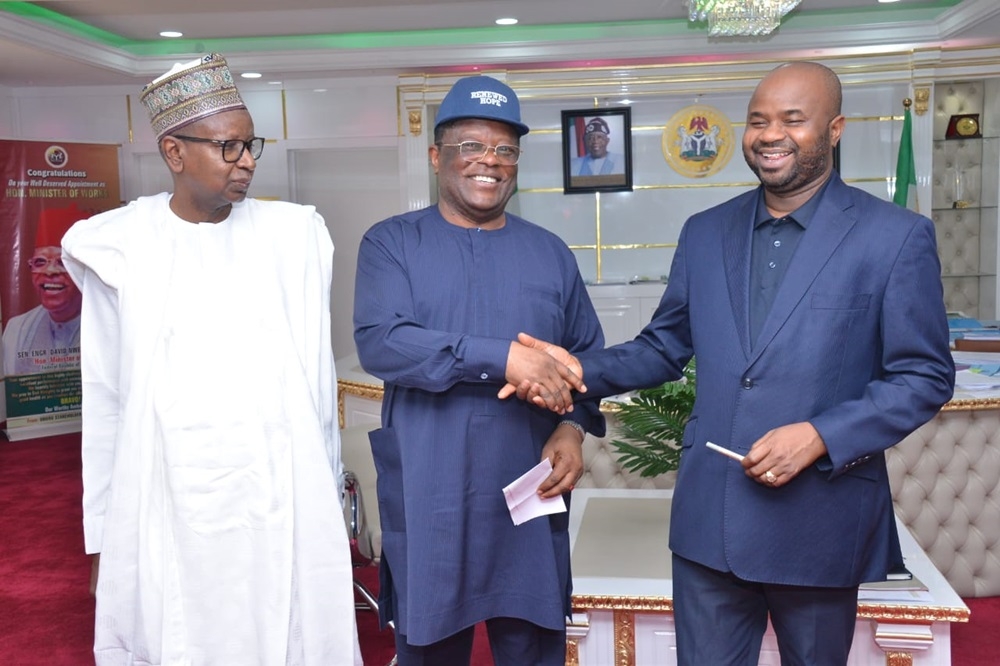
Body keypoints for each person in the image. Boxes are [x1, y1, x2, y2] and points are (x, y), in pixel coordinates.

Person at [509, 61, 956, 665]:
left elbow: (924, 377)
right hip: (710, 522)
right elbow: (663, 347)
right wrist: (573, 370)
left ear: (835, 129)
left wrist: (821, 435)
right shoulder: (704, 232)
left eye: (793, 120)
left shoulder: (895, 236)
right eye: (758, 120)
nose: (770, 134)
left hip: (821, 522)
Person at [61, 53, 361, 665]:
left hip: (278, 489)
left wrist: (326, 492)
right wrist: (103, 535)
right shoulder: (118, 244)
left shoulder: (292, 236)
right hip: (169, 495)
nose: (247, 160)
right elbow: (108, 397)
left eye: (251, 144)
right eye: (229, 147)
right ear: (174, 152)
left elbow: (314, 375)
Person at [353, 74, 605, 666]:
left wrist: (572, 431)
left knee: (532, 644)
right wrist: (504, 357)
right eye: (471, 145)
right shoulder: (392, 244)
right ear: (438, 156)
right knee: (432, 648)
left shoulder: (549, 253)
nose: (489, 161)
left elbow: (587, 358)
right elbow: (383, 342)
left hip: (528, 483)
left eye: (505, 149)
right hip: (432, 484)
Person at [2, 204, 85, 377]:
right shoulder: (17, 329)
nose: (49, 271)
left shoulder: (108, 320)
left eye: (62, 262)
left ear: (83, 269)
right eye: (40, 262)